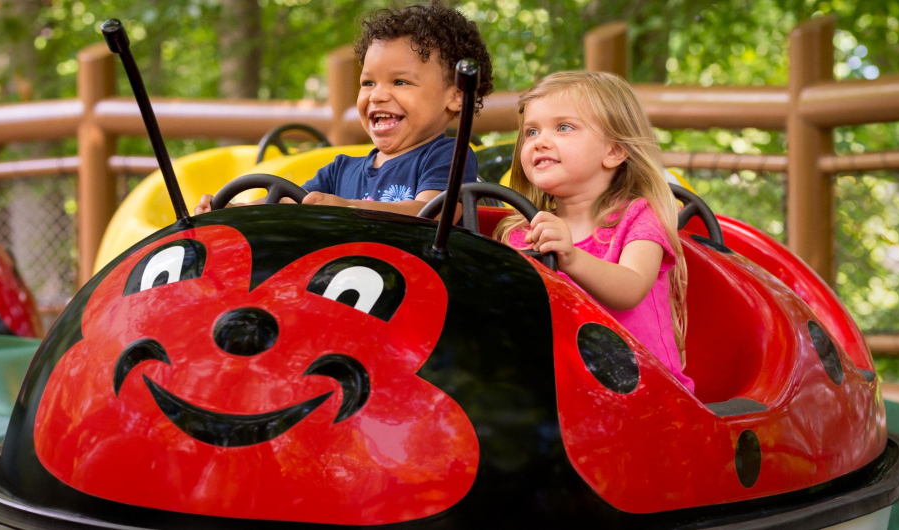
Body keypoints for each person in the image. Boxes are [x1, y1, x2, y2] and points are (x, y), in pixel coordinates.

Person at [195, 0, 493, 216]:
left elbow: (429, 215)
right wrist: (235, 209)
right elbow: (285, 201)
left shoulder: (447, 156)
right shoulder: (340, 171)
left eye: (400, 82)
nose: (377, 96)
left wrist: (347, 208)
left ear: (456, 96)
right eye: (368, 83)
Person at [496, 71, 694, 392]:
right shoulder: (521, 232)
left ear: (614, 150)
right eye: (531, 131)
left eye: (563, 127)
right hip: (559, 390)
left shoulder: (639, 215)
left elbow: (630, 289)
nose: (539, 141)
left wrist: (571, 257)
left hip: (649, 393)